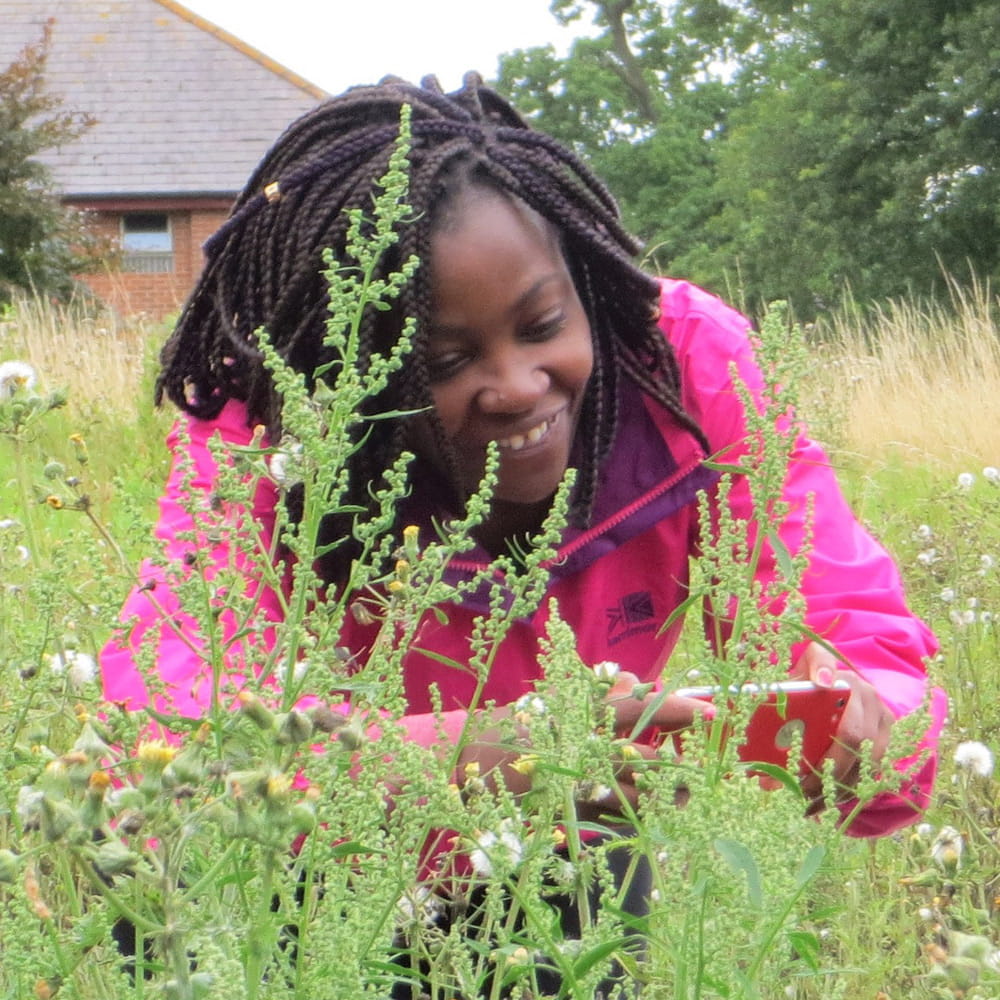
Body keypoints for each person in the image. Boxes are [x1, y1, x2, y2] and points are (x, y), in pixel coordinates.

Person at [100, 73, 945, 992]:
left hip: (570, 851)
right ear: (359, 370)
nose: (516, 387)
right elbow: (167, 767)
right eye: (447, 360)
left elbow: (856, 629)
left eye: (542, 324)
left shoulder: (685, 371)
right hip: (314, 881)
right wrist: (478, 751)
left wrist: (875, 726)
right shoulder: (266, 429)